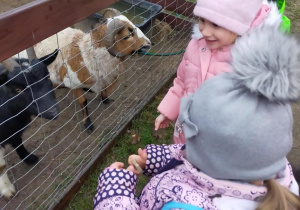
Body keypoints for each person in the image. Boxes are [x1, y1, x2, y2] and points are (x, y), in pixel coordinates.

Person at [93, 18, 300, 209]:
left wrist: (113, 194)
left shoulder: (185, 206)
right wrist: (159, 159)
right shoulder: (268, 169)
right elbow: (191, 153)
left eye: (192, 137)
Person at [154, 0, 286, 144]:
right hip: (186, 134)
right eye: (202, 20)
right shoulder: (195, 46)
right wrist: (168, 111)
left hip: (220, 147)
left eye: (216, 25)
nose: (205, 31)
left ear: (238, 26)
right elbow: (181, 82)